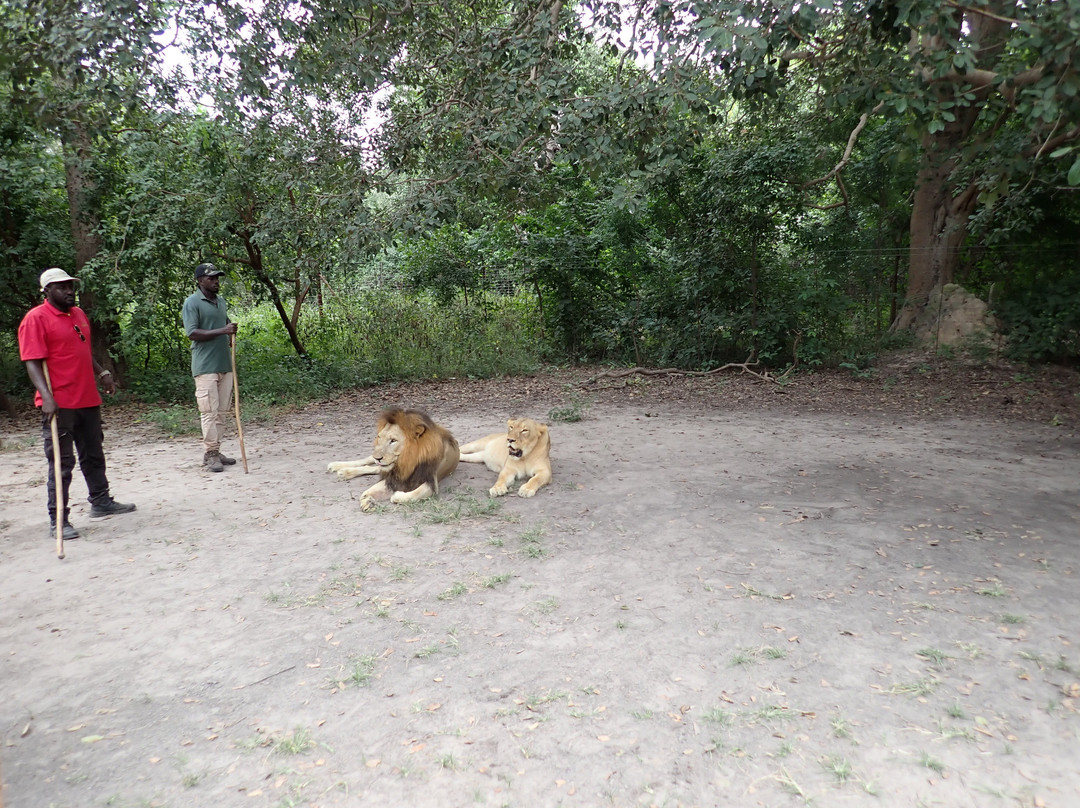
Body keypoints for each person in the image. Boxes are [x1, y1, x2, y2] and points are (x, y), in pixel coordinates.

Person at [17, 268, 137, 539]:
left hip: (87, 398)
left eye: (71, 286)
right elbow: (32, 361)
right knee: (62, 462)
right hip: (59, 403)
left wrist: (102, 373)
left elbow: (82, 349)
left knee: (94, 454)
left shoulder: (79, 315)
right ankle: (58, 519)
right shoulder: (36, 319)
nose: (69, 291)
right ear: (46, 291)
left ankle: (101, 501)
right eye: (62, 287)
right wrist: (46, 397)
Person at [181, 262, 239, 472]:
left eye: (217, 278)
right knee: (208, 411)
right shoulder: (192, 302)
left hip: (224, 363)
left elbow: (224, 322)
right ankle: (210, 453)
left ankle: (217, 449)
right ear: (200, 281)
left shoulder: (220, 301)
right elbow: (192, 332)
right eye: (211, 278)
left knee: (222, 410)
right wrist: (223, 330)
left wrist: (231, 330)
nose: (216, 281)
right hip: (205, 365)